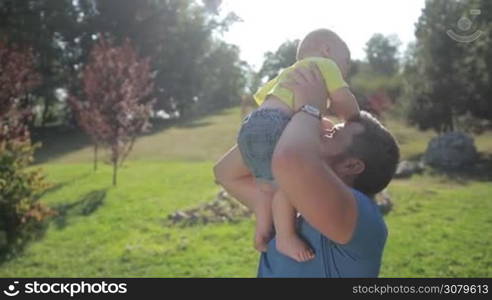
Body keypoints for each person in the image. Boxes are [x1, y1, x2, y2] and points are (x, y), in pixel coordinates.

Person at [214, 65, 400, 277]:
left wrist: (310, 109)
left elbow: (290, 159)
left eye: (334, 135)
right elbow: (226, 173)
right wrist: (276, 123)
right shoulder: (284, 205)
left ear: (351, 166)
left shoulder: (362, 217)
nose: (323, 131)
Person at [215, 28, 360, 263]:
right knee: (285, 183)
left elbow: (265, 99)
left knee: (265, 186)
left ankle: (263, 229)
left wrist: (312, 118)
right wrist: (354, 118)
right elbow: (344, 100)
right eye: (345, 63)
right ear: (327, 50)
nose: (344, 71)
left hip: (252, 123)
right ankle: (285, 236)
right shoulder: (325, 65)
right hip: (276, 123)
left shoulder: (289, 72)